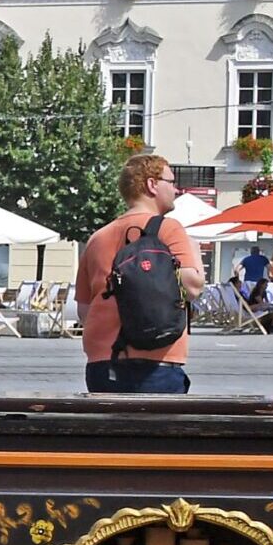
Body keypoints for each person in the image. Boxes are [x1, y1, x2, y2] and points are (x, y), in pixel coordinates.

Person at [76, 153, 205, 393]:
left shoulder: (97, 238)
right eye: (171, 182)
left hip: (103, 363)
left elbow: (85, 310)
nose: (176, 189)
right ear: (152, 184)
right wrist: (194, 250)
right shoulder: (168, 229)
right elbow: (192, 287)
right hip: (156, 361)